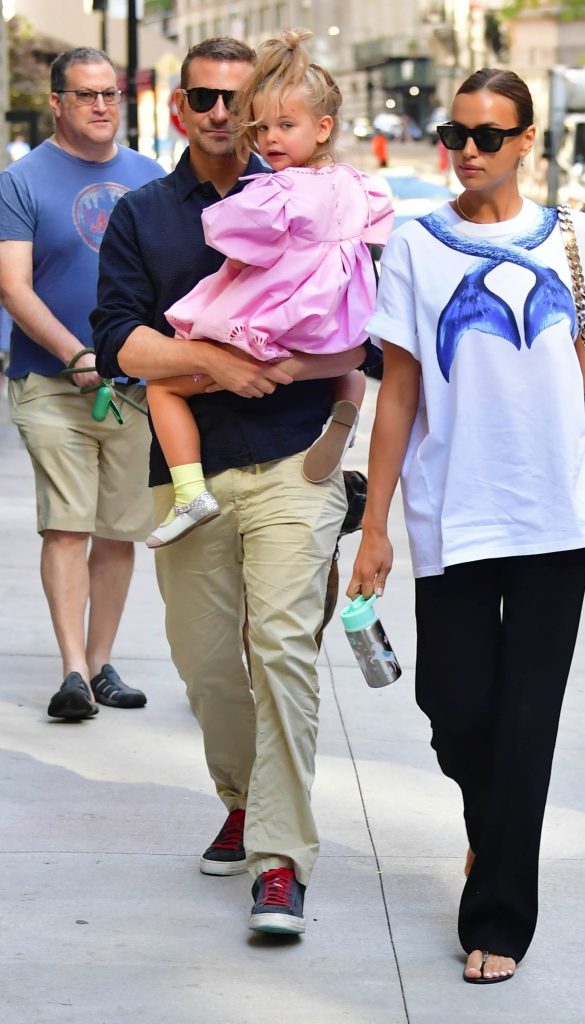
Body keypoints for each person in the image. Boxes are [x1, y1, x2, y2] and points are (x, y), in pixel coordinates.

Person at [347, 68, 585, 983]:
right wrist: (376, 526)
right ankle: (495, 824)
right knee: (453, 706)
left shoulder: (575, 239)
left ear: (525, 142)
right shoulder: (414, 244)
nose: (465, 151)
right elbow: (397, 395)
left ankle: (499, 917)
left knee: (526, 716)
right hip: (453, 510)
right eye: (453, 133)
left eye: (485, 135)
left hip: (554, 513)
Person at [91, 36, 374, 937]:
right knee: (207, 665)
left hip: (293, 463)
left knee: (282, 651)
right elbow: (117, 338)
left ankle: (280, 859)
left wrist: (299, 385)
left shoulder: (310, 196)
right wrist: (214, 361)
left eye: (239, 100)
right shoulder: (144, 213)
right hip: (189, 477)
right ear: (180, 107)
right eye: (206, 98)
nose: (224, 114)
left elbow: (360, 337)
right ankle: (245, 798)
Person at [144, 29, 392, 548]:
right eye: (261, 127)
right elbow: (373, 237)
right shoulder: (356, 183)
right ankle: (345, 412)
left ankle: (189, 492)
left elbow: (234, 240)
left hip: (278, 322)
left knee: (163, 387)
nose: (269, 139)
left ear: (322, 127)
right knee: (346, 366)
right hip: (335, 319)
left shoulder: (280, 189)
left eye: (284, 126)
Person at [0, 47, 164, 721]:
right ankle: (72, 670)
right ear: (57, 102)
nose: (101, 106)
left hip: (131, 387)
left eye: (109, 94)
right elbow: (13, 286)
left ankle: (101, 665)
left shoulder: (149, 177)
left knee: (118, 531)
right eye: (85, 94)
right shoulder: (21, 181)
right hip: (50, 382)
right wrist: (73, 353)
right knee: (67, 525)